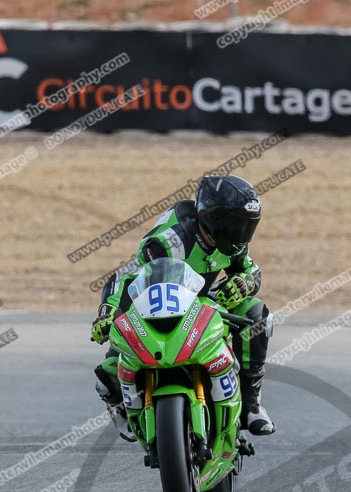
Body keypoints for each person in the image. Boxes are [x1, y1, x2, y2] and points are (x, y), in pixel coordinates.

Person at [91, 174, 275, 439]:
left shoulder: (233, 244)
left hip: (203, 301)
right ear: (213, 218)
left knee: (256, 313)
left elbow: (251, 271)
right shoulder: (169, 242)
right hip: (156, 302)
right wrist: (107, 311)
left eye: (247, 226)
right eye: (236, 225)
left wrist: (244, 283)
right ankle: (119, 404)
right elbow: (125, 276)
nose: (241, 234)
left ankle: (251, 405)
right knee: (108, 371)